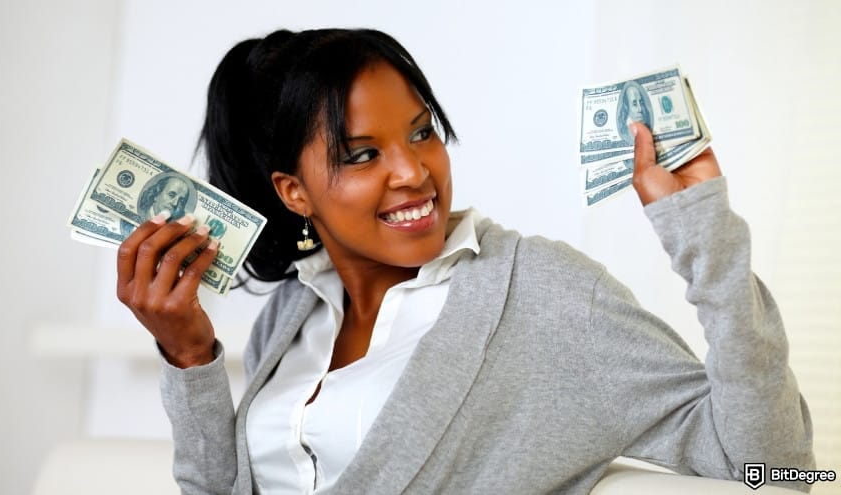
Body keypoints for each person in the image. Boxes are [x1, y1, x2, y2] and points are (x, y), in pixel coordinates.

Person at [115, 29, 814, 494]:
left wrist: (706, 238)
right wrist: (190, 356)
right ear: (294, 192)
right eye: (363, 154)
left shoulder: (544, 294)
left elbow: (774, 469)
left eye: (423, 132)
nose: (414, 171)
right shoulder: (292, 314)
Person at [616, 81, 653, 145]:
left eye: (641, 103)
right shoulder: (626, 135)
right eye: (634, 104)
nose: (640, 109)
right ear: (627, 108)